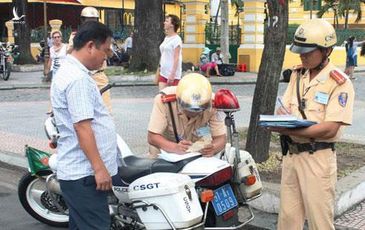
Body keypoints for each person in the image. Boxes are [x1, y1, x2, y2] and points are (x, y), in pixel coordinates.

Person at [270, 19, 355, 230]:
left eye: (308, 51)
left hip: (317, 158)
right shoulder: (297, 75)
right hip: (291, 156)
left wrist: (291, 128)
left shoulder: (339, 82)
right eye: (300, 50)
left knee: (320, 222)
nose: (302, 55)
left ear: (326, 50)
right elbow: (284, 107)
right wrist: (280, 116)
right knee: (288, 220)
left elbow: (330, 129)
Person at [50, 21, 117, 230]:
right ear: (90, 46)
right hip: (85, 174)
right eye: (105, 50)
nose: (106, 56)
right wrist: (100, 169)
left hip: (80, 173)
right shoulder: (77, 78)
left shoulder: (70, 71)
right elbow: (82, 127)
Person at [147, 73, 226, 157]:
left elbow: (221, 138)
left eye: (200, 109)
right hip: (165, 150)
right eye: (189, 108)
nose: (194, 113)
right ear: (179, 100)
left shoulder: (214, 103)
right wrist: (175, 148)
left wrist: (213, 148)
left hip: (196, 150)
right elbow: (152, 137)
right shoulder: (164, 100)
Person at [67, 6, 113, 114]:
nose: (90, 23)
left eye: (93, 20)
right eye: (88, 20)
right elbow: (69, 53)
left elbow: (110, 54)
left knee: (106, 110)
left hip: (99, 76)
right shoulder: (76, 36)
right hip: (83, 75)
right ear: (82, 20)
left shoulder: (103, 36)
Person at [158, 14, 182, 90]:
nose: (164, 23)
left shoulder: (177, 39)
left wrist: (172, 75)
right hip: (163, 73)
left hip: (173, 75)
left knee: (171, 99)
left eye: (167, 21)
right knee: (161, 97)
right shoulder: (166, 38)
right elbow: (163, 55)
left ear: (172, 25)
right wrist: (158, 70)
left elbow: (176, 58)